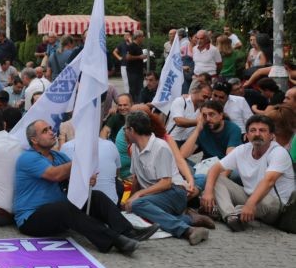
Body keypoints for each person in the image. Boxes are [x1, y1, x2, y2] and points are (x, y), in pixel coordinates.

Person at [13, 120, 157, 255]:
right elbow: (55, 175)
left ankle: (128, 232)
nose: (51, 132)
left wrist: (87, 179)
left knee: (97, 196)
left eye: (50, 128)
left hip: (57, 214)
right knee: (65, 208)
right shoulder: (28, 158)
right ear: (34, 140)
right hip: (31, 218)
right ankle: (114, 240)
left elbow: (75, 178)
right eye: (45, 131)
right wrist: (80, 161)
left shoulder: (58, 156)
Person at [123, 111, 213, 246]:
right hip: (155, 196)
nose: (124, 132)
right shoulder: (135, 147)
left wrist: (138, 194)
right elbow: (136, 179)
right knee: (133, 209)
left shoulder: (160, 147)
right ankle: (188, 219)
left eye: (125, 129)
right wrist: (127, 200)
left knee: (138, 204)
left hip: (174, 192)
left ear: (132, 130)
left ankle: (187, 230)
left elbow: (166, 183)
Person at [202, 115, 296, 231]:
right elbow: (215, 168)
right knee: (217, 179)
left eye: (262, 130)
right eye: (253, 130)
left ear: (272, 136)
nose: (257, 134)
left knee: (267, 201)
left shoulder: (278, 152)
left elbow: (269, 181)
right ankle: (230, 215)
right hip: (250, 197)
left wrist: (250, 204)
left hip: (277, 206)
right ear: (246, 135)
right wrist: (208, 192)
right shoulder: (242, 150)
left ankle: (223, 211)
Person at [179, 100, 242, 164]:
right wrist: (197, 129)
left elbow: (230, 158)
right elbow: (183, 154)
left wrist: (216, 173)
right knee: (179, 161)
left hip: (224, 166)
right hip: (206, 164)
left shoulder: (233, 129)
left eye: (211, 114)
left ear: (221, 115)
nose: (208, 119)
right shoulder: (202, 128)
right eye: (204, 115)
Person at [125, 31, 147, 100]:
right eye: (142, 36)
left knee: (140, 88)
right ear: (138, 37)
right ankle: (132, 103)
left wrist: (143, 68)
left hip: (139, 71)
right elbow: (128, 57)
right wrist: (139, 57)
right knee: (133, 89)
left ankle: (139, 102)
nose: (143, 38)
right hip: (133, 72)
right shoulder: (132, 46)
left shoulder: (138, 46)